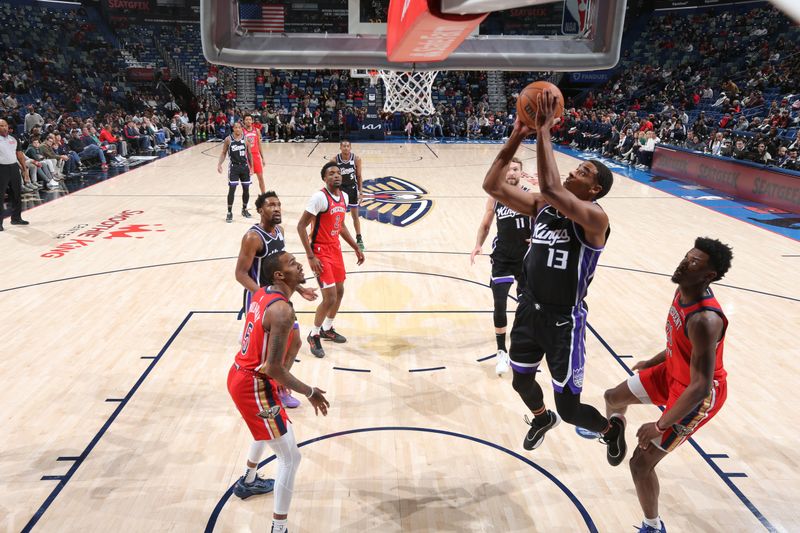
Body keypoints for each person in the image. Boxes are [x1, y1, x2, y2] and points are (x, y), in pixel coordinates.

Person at [481, 90, 624, 462]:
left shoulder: (596, 219)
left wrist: (543, 130)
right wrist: (517, 134)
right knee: (521, 381)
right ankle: (541, 419)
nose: (577, 169)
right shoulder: (543, 208)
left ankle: (610, 430)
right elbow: (492, 187)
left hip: (564, 321)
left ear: (594, 190)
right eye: (579, 166)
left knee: (571, 407)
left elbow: (551, 187)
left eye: (585, 172)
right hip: (529, 309)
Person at [603, 238, 733, 533]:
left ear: (708, 275)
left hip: (695, 394)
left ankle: (653, 526)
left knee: (640, 464)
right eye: (688, 255)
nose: (686, 261)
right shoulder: (683, 289)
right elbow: (679, 341)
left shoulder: (705, 319)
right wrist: (653, 360)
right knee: (612, 397)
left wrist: (660, 425)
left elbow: (700, 387)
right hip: (672, 370)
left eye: (695, 262)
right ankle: (616, 432)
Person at [227, 251, 330, 533]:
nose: (299, 265)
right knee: (290, 457)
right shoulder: (282, 312)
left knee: (267, 430)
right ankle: (278, 528)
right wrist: (310, 392)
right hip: (254, 384)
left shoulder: (262, 293)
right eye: (292, 264)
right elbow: (273, 368)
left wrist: (298, 287)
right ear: (279, 275)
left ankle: (248, 480)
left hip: (242, 373)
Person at [235, 191, 319, 408]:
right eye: (271, 205)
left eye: (279, 204)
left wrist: (299, 289)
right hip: (260, 299)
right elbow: (241, 274)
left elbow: (282, 269)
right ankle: (262, 391)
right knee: (265, 353)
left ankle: (279, 387)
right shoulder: (252, 237)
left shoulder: (280, 232)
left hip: (278, 299)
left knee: (296, 342)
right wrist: (263, 296)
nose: (277, 208)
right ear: (260, 210)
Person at [297, 162, 365, 358]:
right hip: (319, 251)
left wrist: (355, 247)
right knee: (330, 297)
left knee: (340, 291)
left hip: (335, 249)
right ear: (324, 179)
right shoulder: (319, 198)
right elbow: (301, 227)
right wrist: (310, 256)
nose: (336, 175)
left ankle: (327, 328)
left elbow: (341, 225)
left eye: (337, 172)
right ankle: (314, 334)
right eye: (331, 173)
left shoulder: (343, 196)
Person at [470, 156, 531, 376]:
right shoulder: (495, 197)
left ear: (521, 173)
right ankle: (501, 351)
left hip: (527, 258)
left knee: (527, 305)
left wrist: (539, 238)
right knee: (499, 303)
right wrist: (478, 244)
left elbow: (548, 219)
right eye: (508, 169)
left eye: (515, 169)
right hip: (503, 257)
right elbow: (486, 223)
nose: (511, 173)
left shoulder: (531, 196)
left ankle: (520, 344)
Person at [330, 139, 365, 251]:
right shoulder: (335, 159)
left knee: (355, 216)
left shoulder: (356, 159)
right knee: (339, 217)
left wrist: (361, 191)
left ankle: (359, 239)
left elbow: (359, 176)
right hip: (339, 190)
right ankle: (336, 239)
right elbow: (330, 177)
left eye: (347, 146)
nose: (345, 148)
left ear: (350, 147)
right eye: (343, 146)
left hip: (352, 189)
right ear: (340, 147)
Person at [217, 122, 253, 223]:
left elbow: (249, 154)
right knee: (232, 189)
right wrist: (219, 164)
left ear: (242, 129)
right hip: (234, 167)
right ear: (233, 129)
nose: (238, 129)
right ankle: (229, 212)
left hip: (244, 167)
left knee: (246, 189)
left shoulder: (245, 139)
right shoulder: (228, 139)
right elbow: (223, 153)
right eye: (236, 127)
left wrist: (252, 167)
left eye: (239, 127)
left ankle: (244, 209)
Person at [0, 119, 30, 230]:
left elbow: (20, 155)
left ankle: (16, 218)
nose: (4, 127)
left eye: (5, 125)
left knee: (17, 194)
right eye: (1, 126)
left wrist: (24, 169)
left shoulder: (14, 138)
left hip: (13, 167)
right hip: (1, 168)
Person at [243, 115, 266, 194]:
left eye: (250, 119)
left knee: (261, 178)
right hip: (246, 157)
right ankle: (246, 200)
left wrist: (262, 158)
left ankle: (264, 196)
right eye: (246, 119)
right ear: (244, 121)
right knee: (246, 180)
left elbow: (259, 145)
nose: (248, 121)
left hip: (256, 156)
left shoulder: (257, 130)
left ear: (252, 121)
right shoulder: (242, 131)